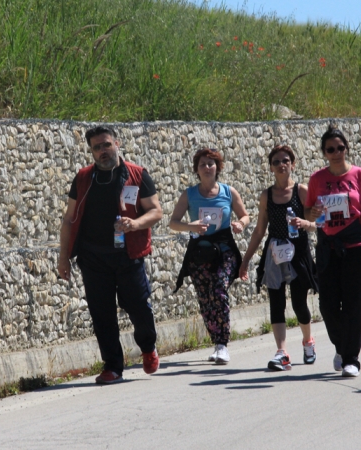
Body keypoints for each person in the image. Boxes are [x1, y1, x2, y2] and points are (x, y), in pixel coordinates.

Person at [58, 126, 163, 385]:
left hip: (129, 255)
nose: (102, 151)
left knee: (138, 306)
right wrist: (63, 258)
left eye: (106, 145)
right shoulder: (83, 178)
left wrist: (135, 224)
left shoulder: (137, 175)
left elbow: (156, 211)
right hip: (93, 258)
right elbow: (69, 220)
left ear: (117, 143)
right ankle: (113, 366)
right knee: (101, 313)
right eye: (96, 147)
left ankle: (148, 347)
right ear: (91, 151)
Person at [304, 124, 361, 377]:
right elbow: (308, 212)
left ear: (347, 148)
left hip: (356, 247)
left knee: (352, 304)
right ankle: (341, 347)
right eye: (330, 149)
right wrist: (314, 213)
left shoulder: (360, 175)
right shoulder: (317, 179)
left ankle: (351, 358)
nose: (336, 152)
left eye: (340, 147)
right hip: (328, 248)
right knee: (328, 305)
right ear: (324, 152)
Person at [239, 145, 319, 371]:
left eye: (285, 160)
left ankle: (308, 341)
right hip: (274, 253)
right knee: (276, 301)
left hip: (298, 253)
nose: (281, 165)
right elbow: (259, 230)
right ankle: (282, 352)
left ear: (293, 164)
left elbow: (316, 224)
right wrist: (245, 261)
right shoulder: (267, 196)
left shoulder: (301, 192)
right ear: (271, 168)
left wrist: (305, 224)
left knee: (299, 303)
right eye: (276, 162)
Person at [170, 148, 250, 365]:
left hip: (224, 250)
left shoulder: (228, 192)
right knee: (205, 298)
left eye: (211, 163)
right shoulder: (189, 194)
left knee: (218, 289)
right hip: (200, 251)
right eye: (203, 164)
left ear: (218, 167)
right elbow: (173, 223)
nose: (207, 167)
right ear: (197, 169)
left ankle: (223, 344)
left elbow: (245, 215)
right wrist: (190, 226)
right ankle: (216, 342)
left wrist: (240, 223)